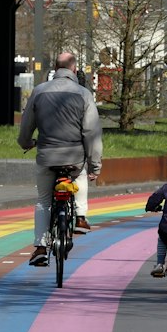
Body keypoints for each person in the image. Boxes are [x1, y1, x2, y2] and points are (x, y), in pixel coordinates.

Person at [17, 51, 103, 267]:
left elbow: (26, 125)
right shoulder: (83, 94)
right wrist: (95, 166)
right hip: (74, 158)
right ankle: (81, 217)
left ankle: (40, 247)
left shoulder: (39, 92)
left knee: (44, 200)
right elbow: (91, 133)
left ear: (56, 68)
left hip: (46, 156)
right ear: (74, 69)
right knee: (81, 173)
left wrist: (26, 143)